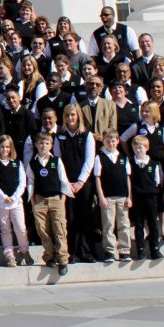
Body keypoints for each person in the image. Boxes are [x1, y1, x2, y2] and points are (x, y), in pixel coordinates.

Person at [53, 104, 96, 263]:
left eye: (73, 115)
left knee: (85, 216)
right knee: (70, 218)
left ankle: (87, 252)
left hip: (83, 183)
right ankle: (72, 253)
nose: (70, 118)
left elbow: (89, 160)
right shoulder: (60, 136)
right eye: (67, 115)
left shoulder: (87, 135)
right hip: (66, 183)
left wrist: (80, 181)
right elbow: (58, 160)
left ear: (78, 116)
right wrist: (67, 182)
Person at [26, 132, 73, 276]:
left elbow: (63, 180)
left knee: (59, 228)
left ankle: (63, 258)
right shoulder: (32, 163)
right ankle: (49, 256)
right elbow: (31, 183)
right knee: (43, 229)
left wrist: (63, 198)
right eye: (41, 143)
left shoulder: (56, 161)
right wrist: (33, 201)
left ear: (51, 145)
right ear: (36, 145)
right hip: (40, 200)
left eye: (46, 143)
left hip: (56, 199)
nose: (43, 146)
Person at [0, 135, 33, 267]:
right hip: (0, 203)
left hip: (15, 201)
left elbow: (22, 182)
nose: (5, 149)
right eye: (2, 146)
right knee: (5, 228)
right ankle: (9, 255)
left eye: (7, 147)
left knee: (20, 227)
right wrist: (2, 196)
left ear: (11, 148)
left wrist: (14, 196)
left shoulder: (17, 163)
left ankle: (24, 251)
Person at [94, 129, 132, 262]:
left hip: (122, 196)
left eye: (113, 140)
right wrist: (101, 197)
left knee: (123, 223)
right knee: (108, 224)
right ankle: (109, 251)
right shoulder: (100, 157)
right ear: (103, 141)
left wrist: (129, 196)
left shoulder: (123, 158)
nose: (111, 143)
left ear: (117, 141)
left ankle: (124, 251)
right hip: (108, 197)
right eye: (108, 140)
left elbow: (127, 178)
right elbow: (97, 178)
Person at [129, 135, 162, 260]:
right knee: (139, 225)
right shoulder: (131, 163)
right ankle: (141, 250)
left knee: (153, 223)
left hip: (151, 197)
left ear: (147, 148)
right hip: (137, 198)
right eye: (136, 148)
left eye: (141, 148)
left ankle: (155, 249)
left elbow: (157, 181)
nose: (138, 150)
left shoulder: (153, 164)